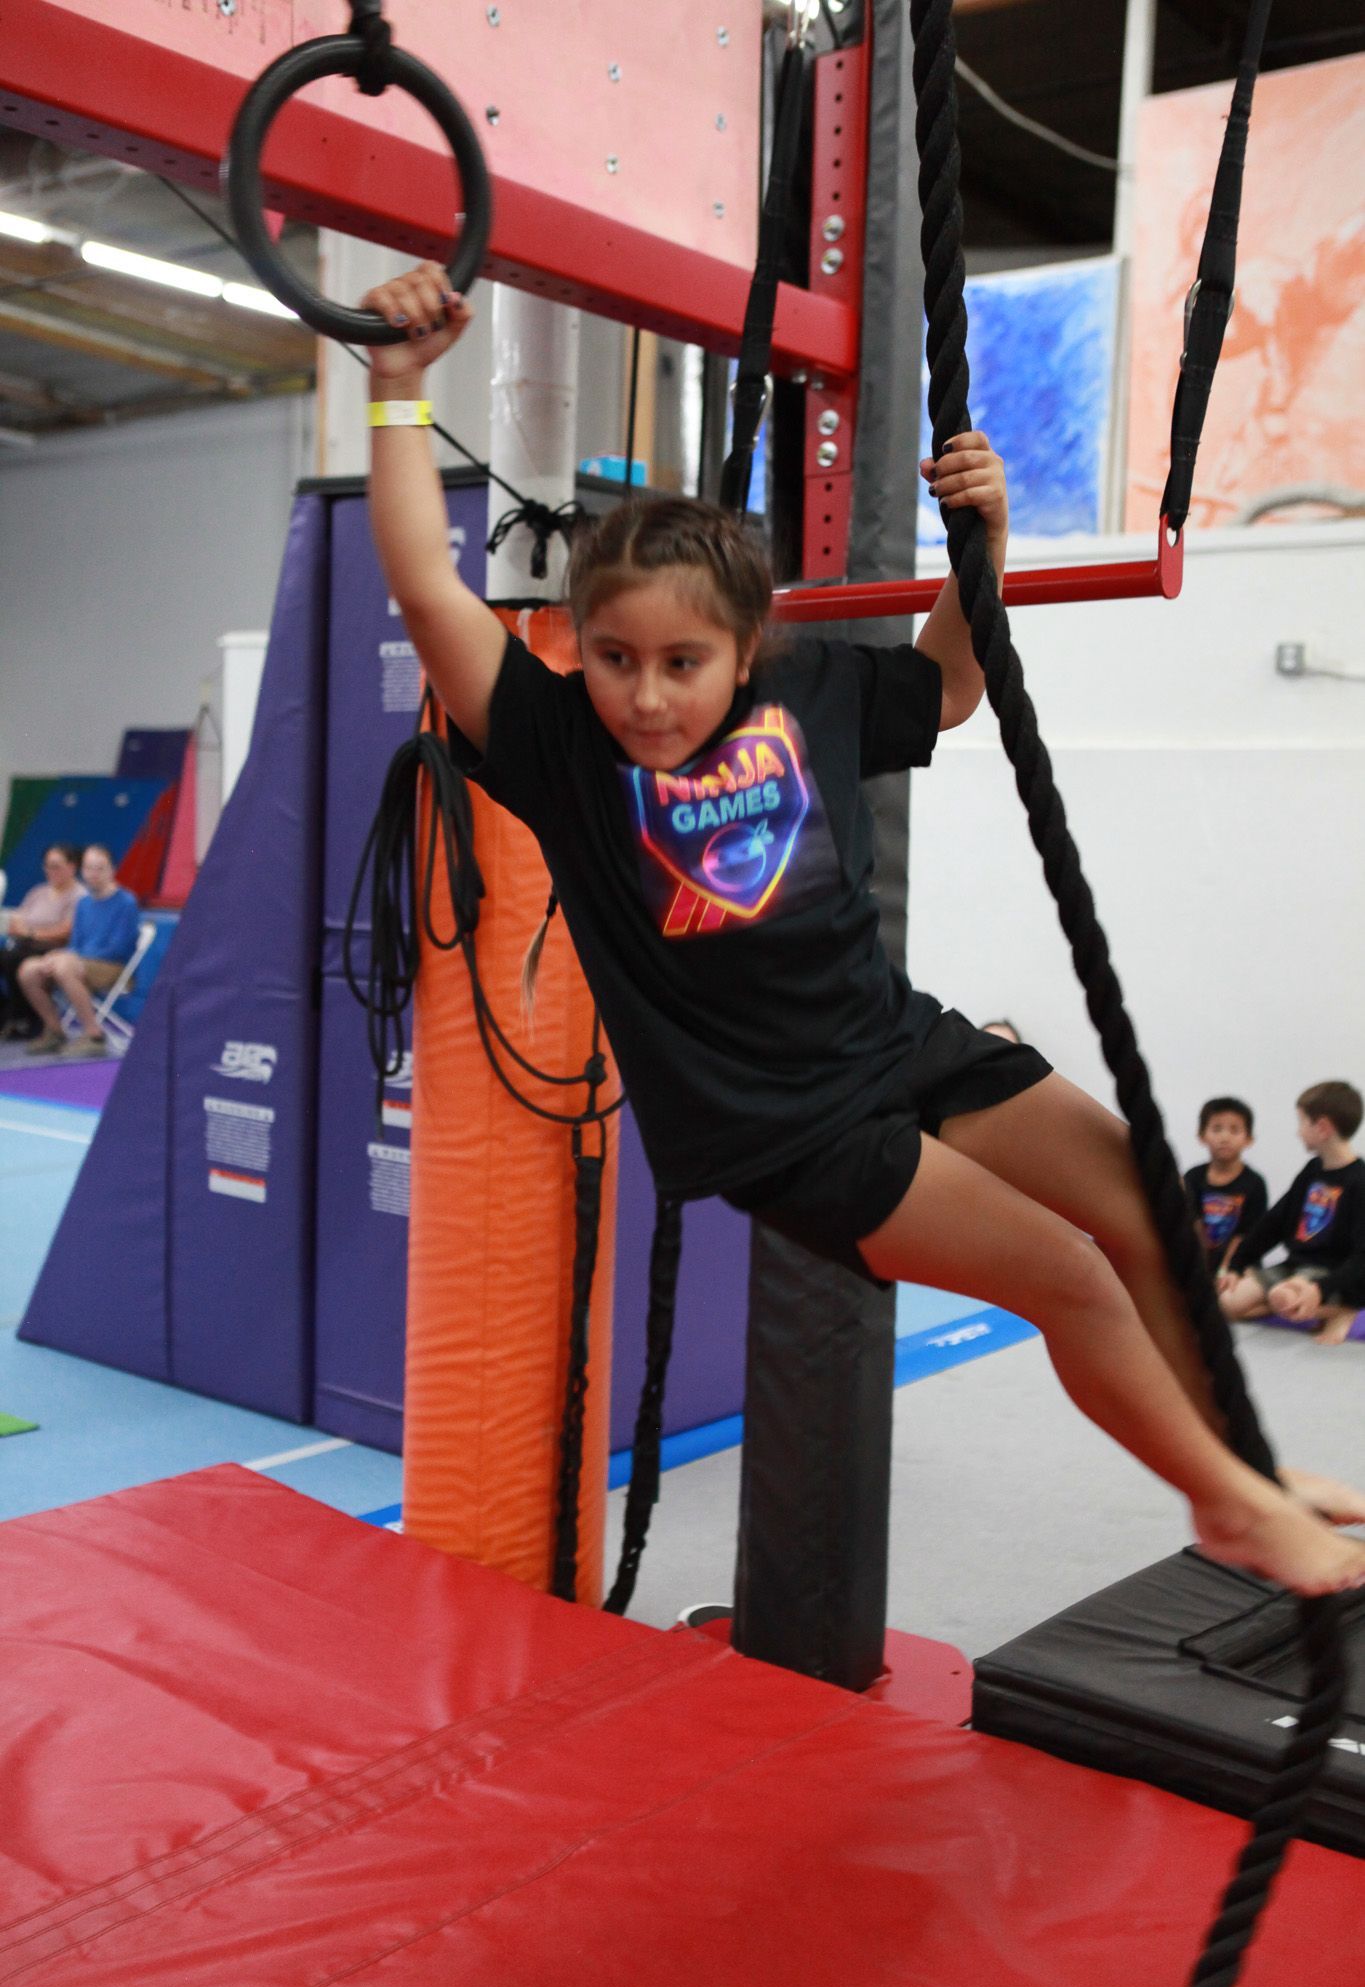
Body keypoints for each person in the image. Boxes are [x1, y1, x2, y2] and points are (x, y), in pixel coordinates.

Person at [362, 262, 1365, 1600]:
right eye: (614, 658)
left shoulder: (813, 687)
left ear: (747, 646)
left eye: (681, 663)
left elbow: (950, 687)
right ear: (582, 651)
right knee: (1066, 1274)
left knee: (1142, 1195)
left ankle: (1238, 1459)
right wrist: (395, 392)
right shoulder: (555, 749)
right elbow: (430, 588)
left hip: (893, 1041)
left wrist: (985, 543)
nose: (646, 698)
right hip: (790, 1128)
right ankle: (1227, 1504)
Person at [1219, 1082, 1365, 1347]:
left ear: (1322, 1128)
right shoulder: (1312, 1171)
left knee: (1284, 1297)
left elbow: (1361, 1259)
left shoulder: (1360, 1181)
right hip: (1295, 1267)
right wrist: (1237, 1266)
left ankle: (1345, 1309)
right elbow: (1274, 1222)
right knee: (1227, 1303)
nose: (1298, 1133)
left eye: (1302, 1123)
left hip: (1332, 1274)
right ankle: (1319, 1307)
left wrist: (1322, 1288)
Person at [17, 844, 139, 1057]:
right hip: (80, 962)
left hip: (113, 967)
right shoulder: (83, 904)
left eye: (99, 868)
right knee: (30, 969)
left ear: (112, 870)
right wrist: (57, 956)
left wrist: (73, 959)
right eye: (89, 868)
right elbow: (75, 944)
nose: (93, 874)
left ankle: (94, 1035)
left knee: (65, 966)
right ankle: (55, 1030)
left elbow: (119, 949)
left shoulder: (126, 902)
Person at [0, 843, 84, 1040]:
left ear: (72, 867)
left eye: (56, 866)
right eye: (47, 866)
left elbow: (65, 930)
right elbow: (15, 922)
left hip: (56, 950)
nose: (50, 871)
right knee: (10, 956)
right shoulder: (38, 892)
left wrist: (30, 933)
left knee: (13, 960)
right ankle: (5, 1010)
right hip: (23, 945)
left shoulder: (79, 896)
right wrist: (30, 932)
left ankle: (27, 1018)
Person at [1183, 1097, 1268, 1277]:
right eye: (1217, 1129)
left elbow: (1245, 1236)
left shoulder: (1255, 1183)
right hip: (1200, 1264)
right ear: (1202, 1136)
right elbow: (1193, 1226)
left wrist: (1226, 1270)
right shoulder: (1193, 1177)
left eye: (1234, 1130)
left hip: (1240, 1264)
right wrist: (1201, 1272)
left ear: (1249, 1139)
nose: (1225, 1137)